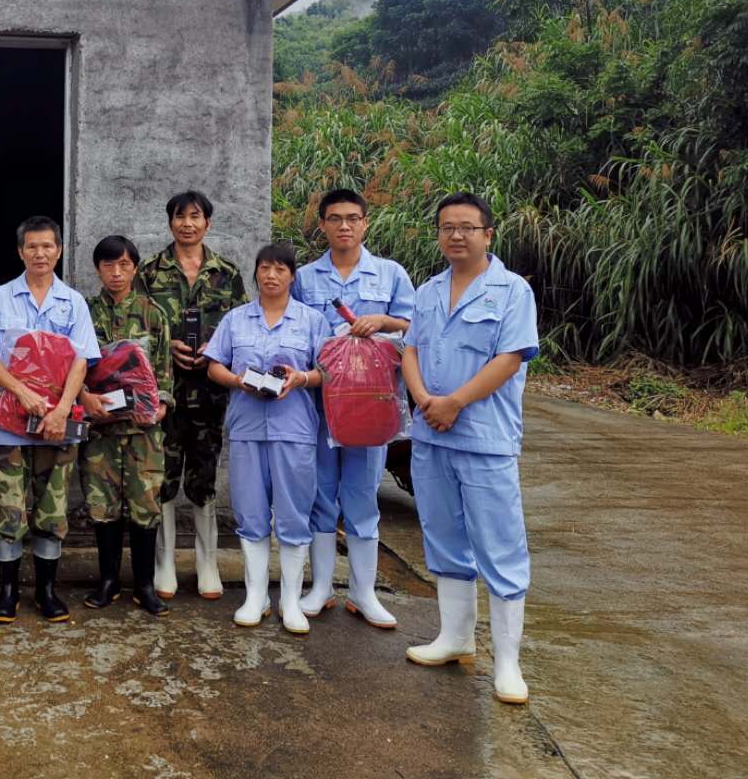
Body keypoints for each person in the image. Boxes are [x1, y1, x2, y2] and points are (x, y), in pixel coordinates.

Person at [401, 192, 539, 706]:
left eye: (467, 227)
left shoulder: (512, 290)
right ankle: (455, 637)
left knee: (499, 545)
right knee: (442, 535)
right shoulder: (428, 291)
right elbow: (410, 348)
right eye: (446, 227)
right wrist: (423, 399)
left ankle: (508, 662)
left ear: (488, 234)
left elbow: (510, 358)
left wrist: (454, 402)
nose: (456, 235)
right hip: (431, 434)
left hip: (484, 438)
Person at [0, 215, 101, 624]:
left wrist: (62, 409)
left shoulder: (73, 302)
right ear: (20, 251)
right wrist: (21, 392)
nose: (40, 253)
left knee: (52, 510)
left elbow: (82, 359)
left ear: (58, 251)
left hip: (57, 425)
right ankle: (8, 591)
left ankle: (46, 590)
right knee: (9, 510)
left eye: (47, 246)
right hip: (8, 423)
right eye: (32, 246)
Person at [291, 188, 414, 629]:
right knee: (321, 495)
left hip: (371, 405)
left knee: (362, 496)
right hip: (322, 403)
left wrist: (383, 322)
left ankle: (364, 593)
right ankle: (322, 587)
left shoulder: (391, 274)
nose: (344, 226)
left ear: (365, 223)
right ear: (322, 224)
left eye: (352, 218)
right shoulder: (305, 278)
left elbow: (415, 327)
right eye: (335, 218)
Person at [204, 242, 331, 634]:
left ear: (292, 275)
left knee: (293, 514)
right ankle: (255, 596)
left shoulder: (311, 321)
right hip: (246, 428)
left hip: (294, 429)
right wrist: (237, 380)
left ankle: (290, 599)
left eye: (280, 269)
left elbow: (327, 371)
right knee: (250, 512)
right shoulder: (236, 319)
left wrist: (301, 378)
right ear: (256, 272)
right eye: (264, 268)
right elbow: (213, 365)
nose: (271, 275)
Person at [139, 190, 247, 600]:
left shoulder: (227, 273)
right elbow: (135, 324)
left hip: (209, 393)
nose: (188, 223)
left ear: (207, 223)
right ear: (170, 223)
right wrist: (166, 346)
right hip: (163, 393)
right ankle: (164, 563)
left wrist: (215, 351)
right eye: (180, 216)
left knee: (204, 477)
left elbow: (241, 327)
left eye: (195, 216)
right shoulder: (149, 271)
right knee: (162, 476)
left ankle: (207, 563)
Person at [79, 236, 173, 617]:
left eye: (123, 265)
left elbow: (164, 372)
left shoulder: (153, 314)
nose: (116, 273)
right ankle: (108, 581)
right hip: (100, 431)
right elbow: (74, 368)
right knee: (103, 505)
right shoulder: (84, 313)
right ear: (98, 269)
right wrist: (85, 399)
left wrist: (159, 408)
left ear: (135, 268)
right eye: (108, 265)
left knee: (144, 506)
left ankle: (145, 585)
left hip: (142, 433)